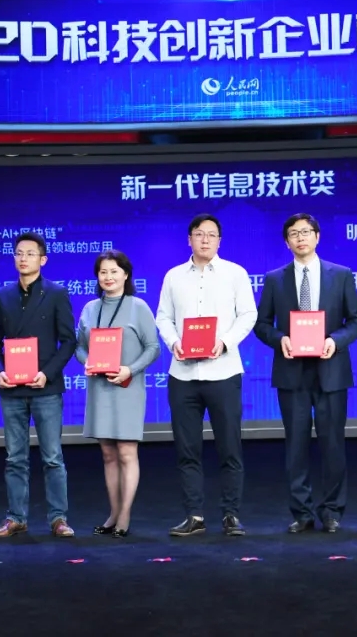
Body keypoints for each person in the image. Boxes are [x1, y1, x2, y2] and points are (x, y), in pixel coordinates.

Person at [254, 213, 357, 534]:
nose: (300, 238)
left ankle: (331, 511)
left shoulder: (340, 275)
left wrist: (335, 340)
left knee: (333, 445)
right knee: (296, 446)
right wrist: (280, 339)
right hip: (292, 371)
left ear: (317, 236)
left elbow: (356, 320)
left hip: (331, 370)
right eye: (294, 233)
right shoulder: (275, 279)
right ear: (286, 241)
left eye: (306, 232)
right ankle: (301, 512)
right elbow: (262, 324)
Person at [156, 213, 257, 537]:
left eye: (211, 235)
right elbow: (163, 317)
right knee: (187, 451)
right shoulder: (173, 276)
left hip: (223, 372)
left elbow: (248, 314)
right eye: (199, 234)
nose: (205, 239)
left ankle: (231, 515)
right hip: (183, 375)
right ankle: (194, 516)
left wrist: (224, 342)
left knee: (230, 448)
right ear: (189, 239)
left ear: (219, 241)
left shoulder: (235, 273)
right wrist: (173, 342)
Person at [0, 231, 78, 539]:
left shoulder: (56, 293)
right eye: (19, 253)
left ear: (43, 259)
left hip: (45, 388)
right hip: (11, 389)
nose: (23, 258)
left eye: (30, 253)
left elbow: (69, 341)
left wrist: (47, 374)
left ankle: (58, 518)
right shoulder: (3, 296)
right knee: (15, 458)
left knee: (52, 457)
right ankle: (16, 517)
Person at [74, 250, 161, 538]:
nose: (108, 277)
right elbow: (79, 346)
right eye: (103, 272)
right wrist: (87, 360)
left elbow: (153, 348)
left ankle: (125, 515)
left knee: (126, 451)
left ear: (126, 274)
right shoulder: (90, 308)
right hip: (100, 388)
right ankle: (112, 513)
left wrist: (129, 370)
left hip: (127, 386)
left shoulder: (139, 306)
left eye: (114, 271)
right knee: (108, 454)